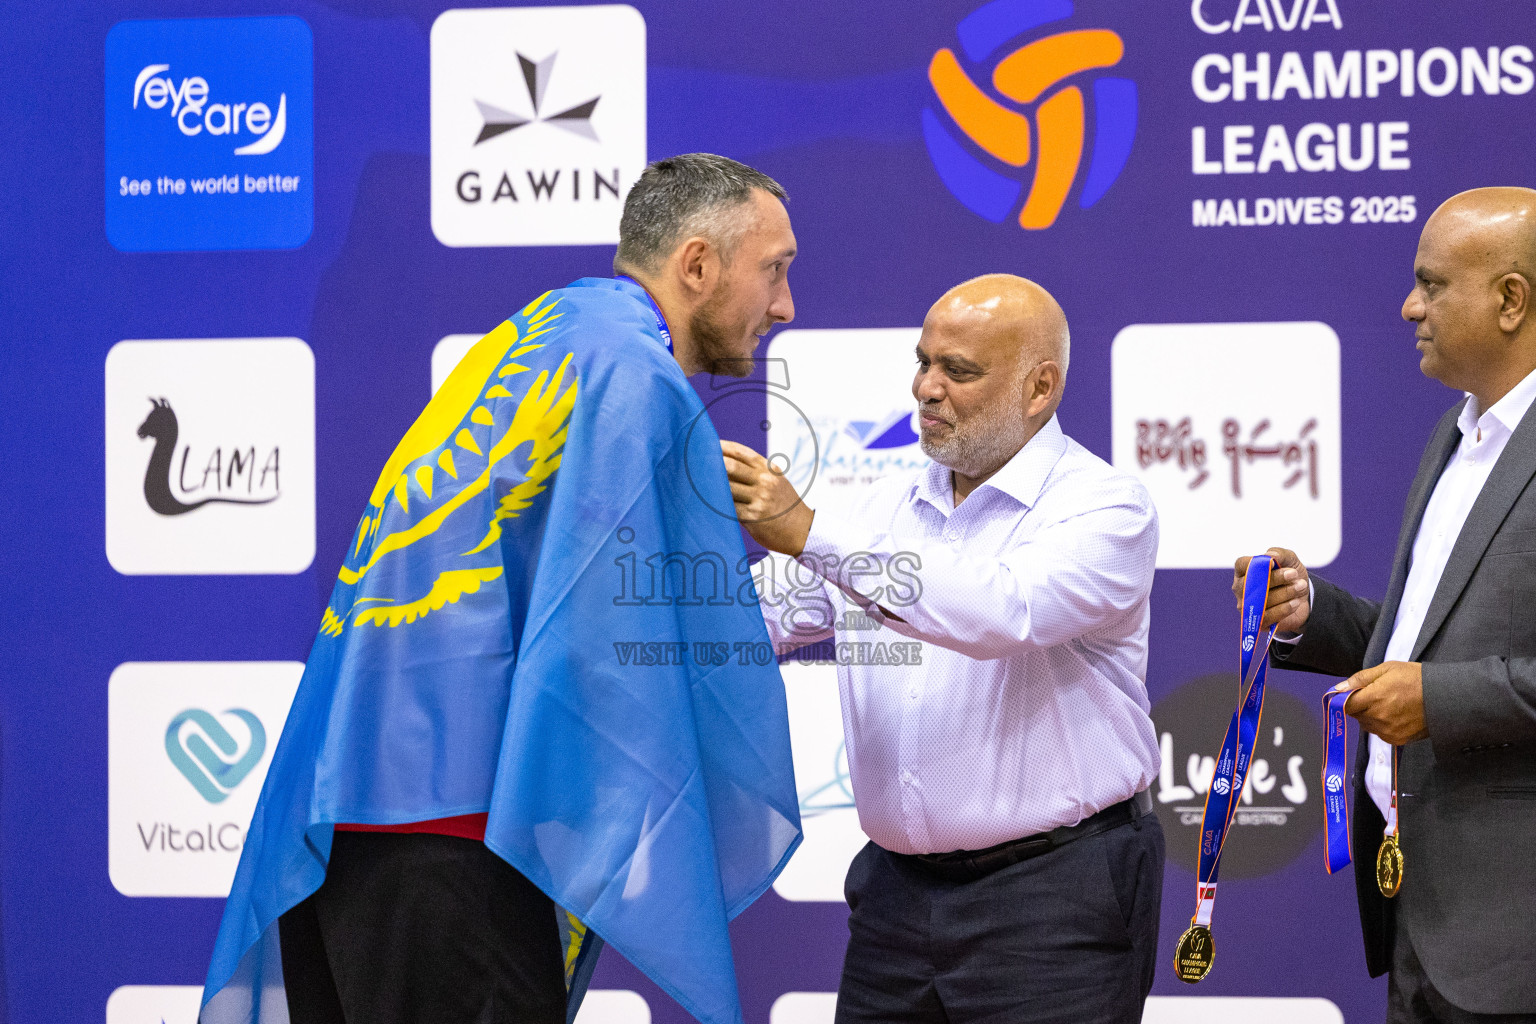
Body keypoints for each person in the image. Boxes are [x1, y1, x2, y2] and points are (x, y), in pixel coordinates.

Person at [198, 153, 802, 1024]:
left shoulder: (534, 341)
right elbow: (628, 636)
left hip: (340, 832)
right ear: (698, 265)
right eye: (773, 270)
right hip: (459, 849)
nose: (784, 305)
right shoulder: (633, 377)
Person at [724, 274, 1164, 1024]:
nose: (928, 388)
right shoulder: (879, 509)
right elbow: (746, 618)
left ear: (1039, 389)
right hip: (895, 899)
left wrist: (808, 532)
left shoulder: (1105, 506)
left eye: (957, 371)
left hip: (1053, 897)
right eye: (923, 362)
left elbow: (999, 611)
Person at [1236, 187, 1536, 1023]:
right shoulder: (1457, 434)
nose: (1410, 307)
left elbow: (1433, 681)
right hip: (1422, 924)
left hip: (1518, 945)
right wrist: (1312, 614)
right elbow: (1426, 642)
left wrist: (1434, 701)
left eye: (1433, 285)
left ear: (1511, 300)